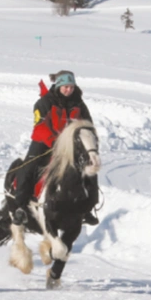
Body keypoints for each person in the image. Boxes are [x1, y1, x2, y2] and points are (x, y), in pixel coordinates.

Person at [12, 70, 99, 227]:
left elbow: (87, 125)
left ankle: (87, 208)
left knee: (89, 169)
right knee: (29, 167)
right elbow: (40, 127)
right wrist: (55, 143)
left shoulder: (78, 103)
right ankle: (21, 207)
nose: (69, 90)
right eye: (66, 86)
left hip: (71, 145)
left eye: (71, 87)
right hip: (45, 142)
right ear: (58, 86)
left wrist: (90, 142)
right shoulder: (44, 102)